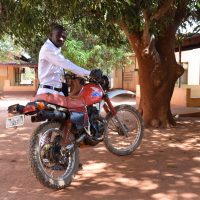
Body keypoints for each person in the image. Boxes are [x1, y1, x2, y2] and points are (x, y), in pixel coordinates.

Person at [37, 24, 91, 96]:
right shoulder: (48, 48)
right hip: (48, 92)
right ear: (50, 35)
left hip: (57, 92)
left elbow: (55, 70)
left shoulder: (55, 49)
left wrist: (69, 76)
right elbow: (65, 63)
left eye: (64, 37)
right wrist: (89, 73)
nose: (62, 39)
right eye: (58, 36)